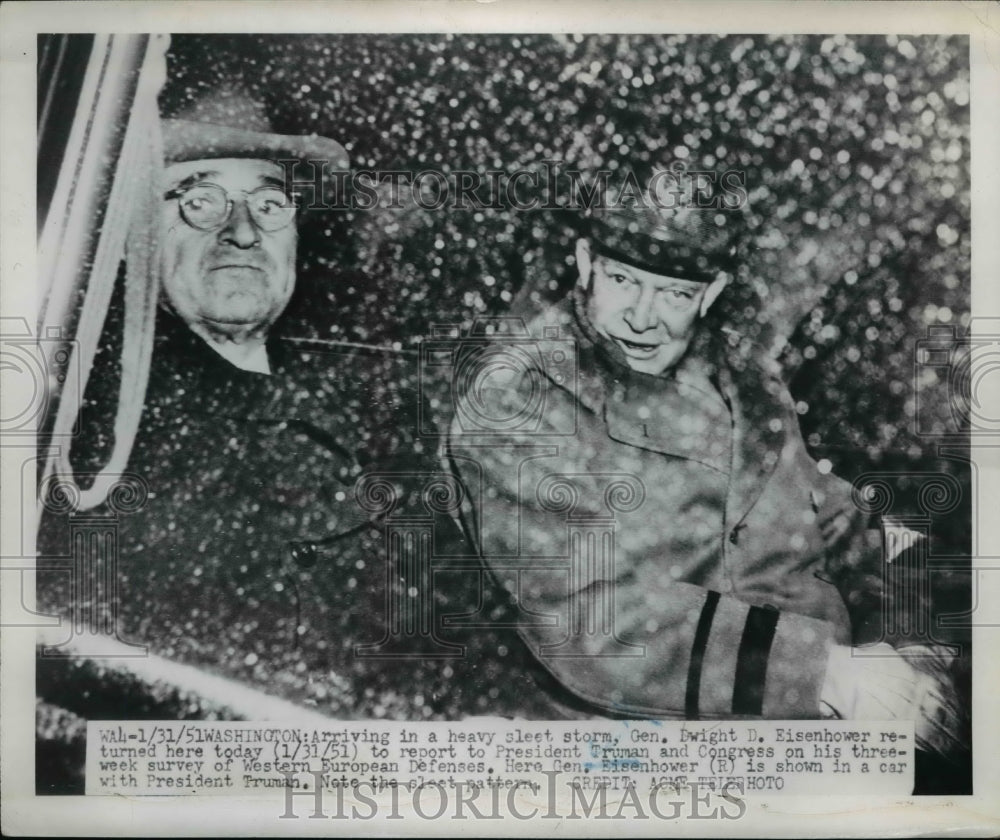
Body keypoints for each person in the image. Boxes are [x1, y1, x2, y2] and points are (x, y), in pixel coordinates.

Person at [35, 92, 519, 721]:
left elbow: (473, 629)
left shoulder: (364, 405)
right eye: (199, 200)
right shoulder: (94, 445)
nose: (242, 231)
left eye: (270, 203)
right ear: (133, 232)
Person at [446, 191, 960, 750]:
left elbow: (838, 519)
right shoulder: (517, 401)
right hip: (651, 740)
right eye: (622, 281)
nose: (643, 318)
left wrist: (905, 643)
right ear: (587, 262)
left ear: (711, 292)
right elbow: (593, 620)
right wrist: (826, 674)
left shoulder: (744, 378)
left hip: (840, 714)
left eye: (674, 293)